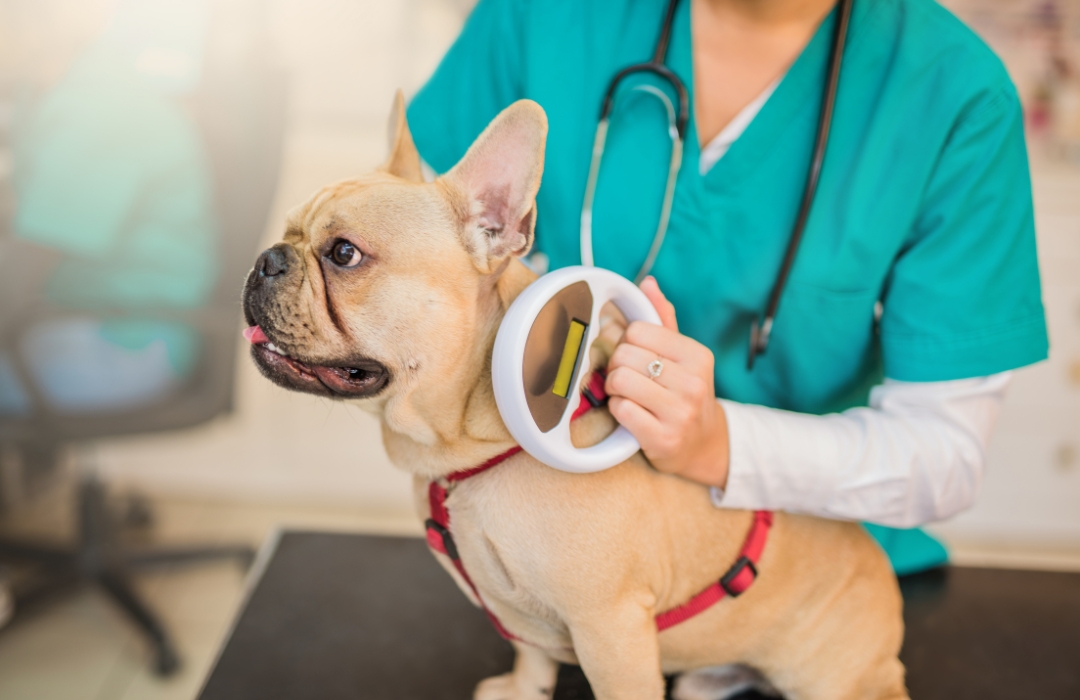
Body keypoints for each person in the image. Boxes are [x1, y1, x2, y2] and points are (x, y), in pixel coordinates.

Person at [405, 0, 1048, 575]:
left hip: (807, 577)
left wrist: (716, 444)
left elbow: (943, 457)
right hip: (549, 546)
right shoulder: (542, 16)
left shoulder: (955, 96)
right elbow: (416, 267)